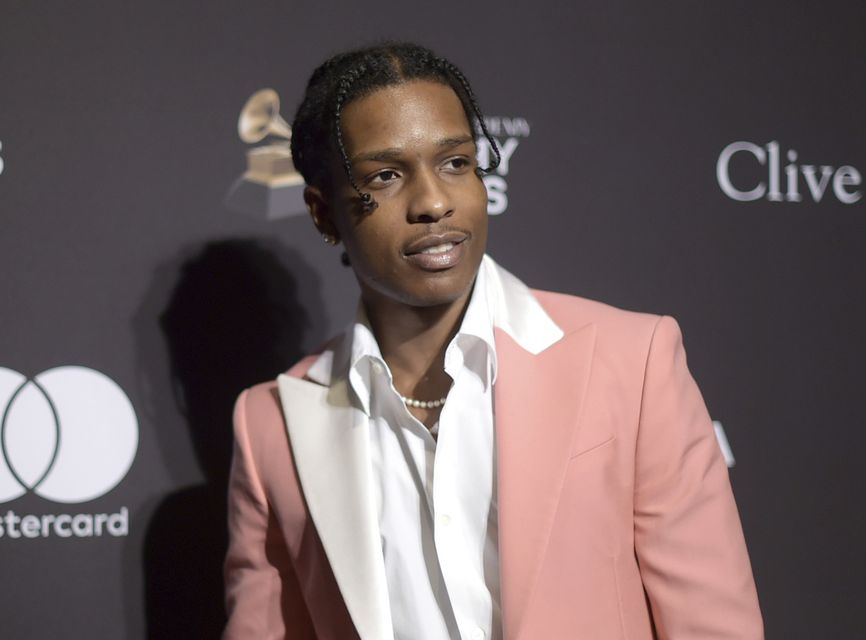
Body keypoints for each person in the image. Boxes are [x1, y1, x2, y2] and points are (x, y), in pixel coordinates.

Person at [222, 42, 764, 640]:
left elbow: (712, 624)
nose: (433, 202)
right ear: (325, 215)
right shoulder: (271, 423)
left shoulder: (632, 362)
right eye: (386, 175)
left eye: (456, 163)